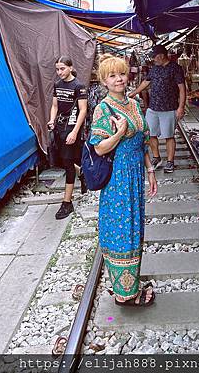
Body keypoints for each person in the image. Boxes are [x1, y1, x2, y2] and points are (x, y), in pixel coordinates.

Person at [90, 54, 157, 306]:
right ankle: (125, 294)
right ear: (104, 81)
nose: (119, 79)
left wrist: (150, 171)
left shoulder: (134, 103)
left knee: (135, 228)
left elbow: (143, 141)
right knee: (121, 231)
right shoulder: (103, 109)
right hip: (117, 178)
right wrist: (118, 132)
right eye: (112, 76)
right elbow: (99, 149)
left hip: (135, 175)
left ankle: (129, 283)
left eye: (121, 73)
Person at [129, 45, 186, 173]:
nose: (153, 60)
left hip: (169, 108)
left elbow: (182, 88)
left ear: (161, 56)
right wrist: (133, 93)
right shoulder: (154, 68)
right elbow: (146, 82)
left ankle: (170, 162)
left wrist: (181, 107)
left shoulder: (175, 68)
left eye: (154, 57)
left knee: (169, 136)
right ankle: (156, 157)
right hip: (153, 108)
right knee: (150, 134)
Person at [48, 56, 87, 219]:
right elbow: (55, 105)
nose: (59, 72)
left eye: (62, 68)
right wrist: (52, 119)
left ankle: (67, 202)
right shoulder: (57, 85)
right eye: (57, 69)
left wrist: (75, 132)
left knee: (68, 165)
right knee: (63, 160)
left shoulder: (79, 86)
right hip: (59, 128)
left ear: (70, 68)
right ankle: (83, 173)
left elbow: (83, 110)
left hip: (72, 128)